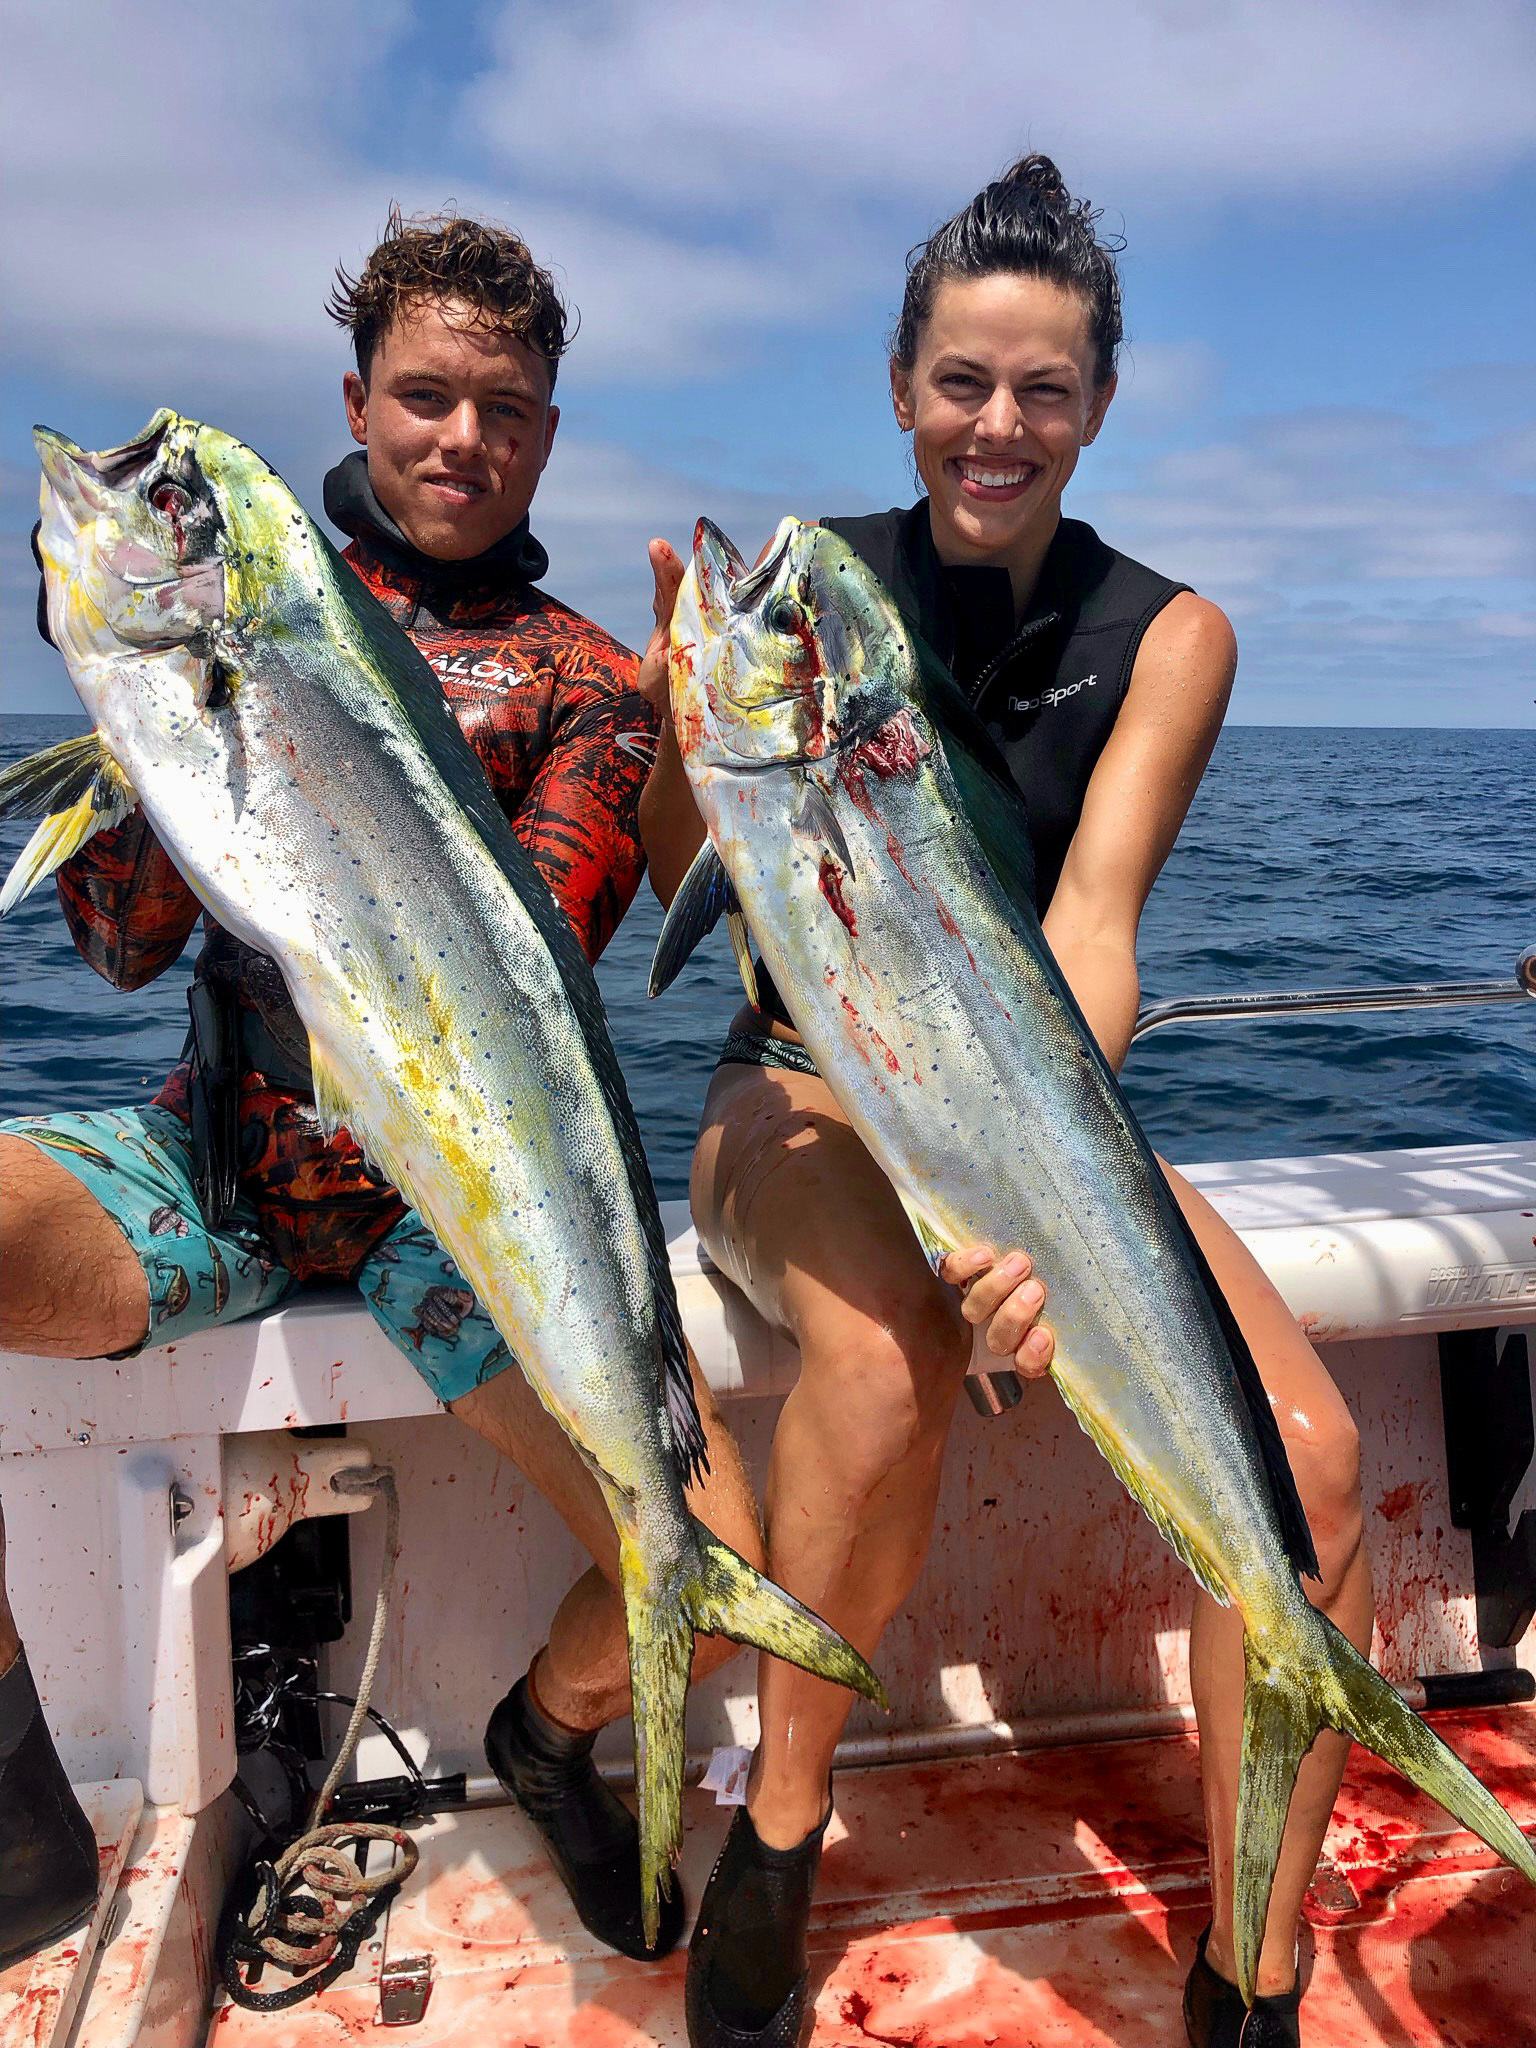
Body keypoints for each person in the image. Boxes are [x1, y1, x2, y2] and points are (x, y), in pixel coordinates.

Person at [637, 157, 1370, 2048]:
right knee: (883, 1358)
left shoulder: (1172, 635)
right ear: (902, 388)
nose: (999, 424)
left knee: (1309, 1462)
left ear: (1098, 406)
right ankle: (778, 1838)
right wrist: (687, 720)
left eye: (1045, 389)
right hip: (798, 1098)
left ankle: (1254, 1972)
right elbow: (673, 872)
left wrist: (1016, 1198)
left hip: (1033, 1107)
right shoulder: (808, 593)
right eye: (963, 380)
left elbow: (1090, 936)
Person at [0, 209, 763, 1973]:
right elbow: (119, 950)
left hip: (452, 1206)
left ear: (548, 434)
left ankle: (546, 1737)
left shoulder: (596, 683)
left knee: (719, 1562)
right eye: (425, 396)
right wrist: (143, 716)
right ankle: (18, 1805)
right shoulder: (262, 610)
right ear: (358, 402)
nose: (461, 439)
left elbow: (531, 973)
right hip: (218, 1159)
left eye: (505, 410)